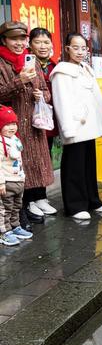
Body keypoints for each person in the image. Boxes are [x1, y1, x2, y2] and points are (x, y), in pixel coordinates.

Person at [50, 33, 102, 220]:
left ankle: (92, 200)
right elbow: (61, 101)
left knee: (88, 164)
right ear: (67, 48)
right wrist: (68, 128)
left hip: (90, 125)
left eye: (83, 48)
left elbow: (96, 98)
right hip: (75, 125)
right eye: (75, 47)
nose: (80, 52)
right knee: (74, 166)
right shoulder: (61, 72)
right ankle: (75, 205)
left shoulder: (86, 68)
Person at [0, 21, 54, 229]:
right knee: (12, 169)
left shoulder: (30, 61)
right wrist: (19, 81)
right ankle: (16, 215)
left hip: (32, 124)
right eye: (14, 39)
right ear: (4, 40)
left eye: (22, 38)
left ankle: (27, 206)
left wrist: (43, 95)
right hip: (10, 127)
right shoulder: (2, 63)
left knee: (29, 168)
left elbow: (46, 91)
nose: (19, 43)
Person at [26, 27, 58, 217]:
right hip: (31, 120)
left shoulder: (54, 66)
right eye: (38, 42)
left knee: (44, 160)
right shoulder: (27, 64)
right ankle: (30, 199)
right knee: (32, 160)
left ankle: (41, 197)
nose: (43, 46)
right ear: (30, 45)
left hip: (47, 120)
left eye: (46, 42)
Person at [0, 105, 33, 245]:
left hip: (18, 180)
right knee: (4, 209)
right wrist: (1, 182)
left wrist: (23, 176)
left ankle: (15, 227)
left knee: (16, 207)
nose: (12, 127)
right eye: (7, 124)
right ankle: (4, 232)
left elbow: (19, 160)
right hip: (6, 181)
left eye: (13, 123)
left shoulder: (15, 139)